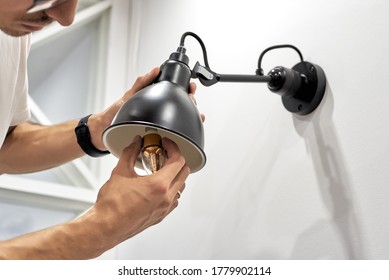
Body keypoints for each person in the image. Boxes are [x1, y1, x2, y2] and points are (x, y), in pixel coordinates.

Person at [0, 0, 197, 259]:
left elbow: (4, 144)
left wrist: (98, 129)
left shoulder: (12, 32)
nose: (66, 16)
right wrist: (99, 229)